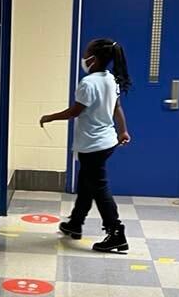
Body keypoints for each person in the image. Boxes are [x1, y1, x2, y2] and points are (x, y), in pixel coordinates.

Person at [39, 38, 132, 253]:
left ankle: (116, 232)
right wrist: (123, 130)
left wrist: (50, 117)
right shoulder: (110, 79)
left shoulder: (88, 83)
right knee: (86, 183)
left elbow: (75, 111)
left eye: (87, 53)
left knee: (98, 187)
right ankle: (75, 223)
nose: (84, 57)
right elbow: (117, 107)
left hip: (93, 144)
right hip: (106, 141)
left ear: (94, 59)